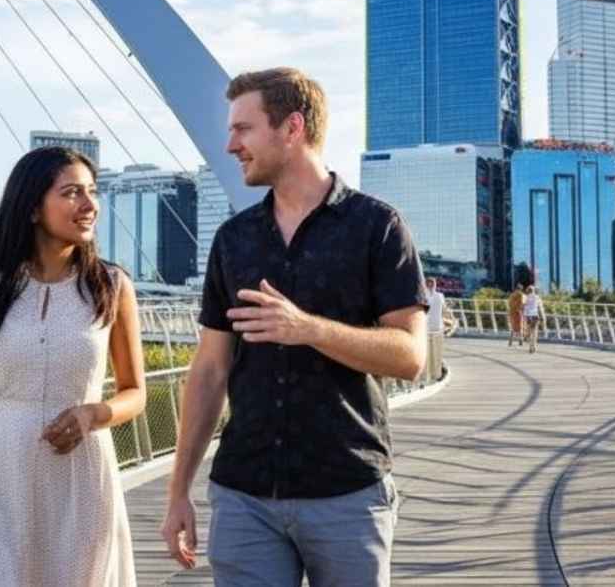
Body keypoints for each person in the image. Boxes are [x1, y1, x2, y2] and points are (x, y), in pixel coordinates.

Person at [161, 68, 428, 587]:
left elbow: (410, 356)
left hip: (347, 492)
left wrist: (309, 329)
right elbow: (211, 370)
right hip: (244, 496)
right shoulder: (233, 239)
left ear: (292, 128)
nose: (230, 144)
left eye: (244, 128)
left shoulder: (378, 227)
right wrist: (177, 493)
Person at [0, 146, 145, 587]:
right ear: (33, 207)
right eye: (72, 192)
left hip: (82, 477)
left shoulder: (112, 287)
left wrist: (93, 413)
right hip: (0, 474)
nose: (89, 204)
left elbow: (135, 392)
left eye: (92, 192)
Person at [521, 283, 543, 354]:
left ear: (528, 290)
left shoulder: (525, 297)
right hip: (535, 315)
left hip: (528, 316)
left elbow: (523, 306)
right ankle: (534, 346)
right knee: (535, 331)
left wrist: (523, 314)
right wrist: (542, 316)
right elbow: (540, 307)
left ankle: (530, 346)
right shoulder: (537, 297)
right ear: (534, 291)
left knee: (530, 331)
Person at [507, 281, 526, 347]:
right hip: (519, 312)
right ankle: (520, 340)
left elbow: (509, 304)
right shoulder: (522, 295)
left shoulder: (512, 295)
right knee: (520, 326)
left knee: (513, 327)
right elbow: (523, 304)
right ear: (521, 289)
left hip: (512, 312)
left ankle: (510, 341)